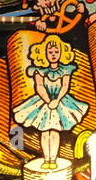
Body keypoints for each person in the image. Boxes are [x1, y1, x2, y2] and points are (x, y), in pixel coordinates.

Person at [12, 35, 89, 170]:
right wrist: (48, 101)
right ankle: (46, 158)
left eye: (56, 52)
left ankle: (53, 159)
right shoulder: (39, 69)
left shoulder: (66, 69)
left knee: (54, 131)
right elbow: (39, 87)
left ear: (61, 52)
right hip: (43, 102)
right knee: (45, 132)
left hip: (60, 102)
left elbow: (65, 86)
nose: (53, 55)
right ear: (44, 53)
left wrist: (57, 100)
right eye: (50, 52)